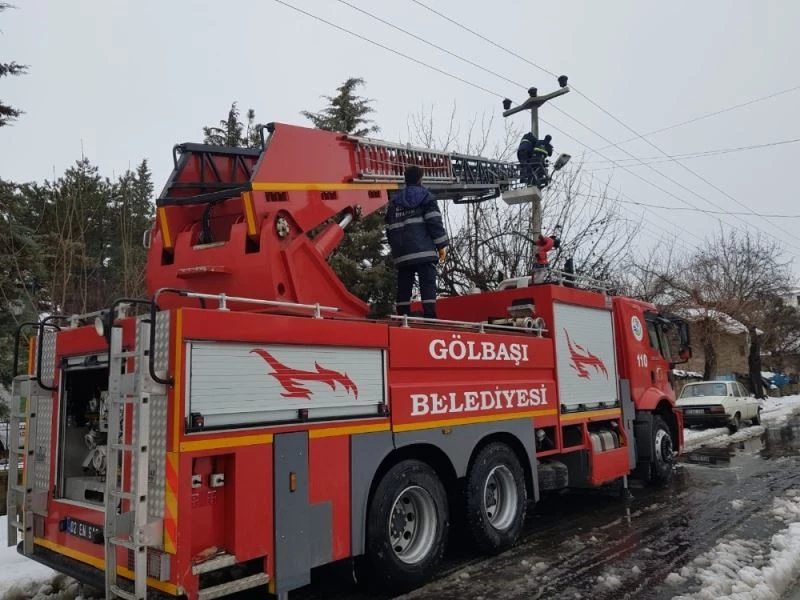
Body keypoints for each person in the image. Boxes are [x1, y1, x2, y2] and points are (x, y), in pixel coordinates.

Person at [385, 166, 449, 318]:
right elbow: (434, 222)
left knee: (404, 286)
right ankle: (430, 316)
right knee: (427, 284)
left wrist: (396, 249)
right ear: (421, 178)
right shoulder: (426, 198)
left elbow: (389, 228)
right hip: (424, 251)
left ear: (405, 179)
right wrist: (441, 245)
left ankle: (403, 316)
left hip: (402, 254)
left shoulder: (394, 202)